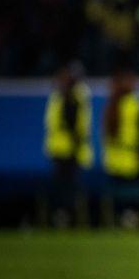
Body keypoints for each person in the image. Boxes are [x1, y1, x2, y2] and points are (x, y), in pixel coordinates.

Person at [100, 67, 139, 227]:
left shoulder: (110, 105)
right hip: (132, 160)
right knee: (131, 198)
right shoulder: (134, 104)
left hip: (114, 161)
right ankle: (131, 220)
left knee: (120, 198)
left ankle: (121, 221)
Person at [43, 62, 93, 227]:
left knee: (69, 188)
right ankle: (62, 218)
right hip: (61, 149)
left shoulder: (76, 96)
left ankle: (67, 218)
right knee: (62, 187)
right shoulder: (62, 96)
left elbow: (78, 125)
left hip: (70, 149)